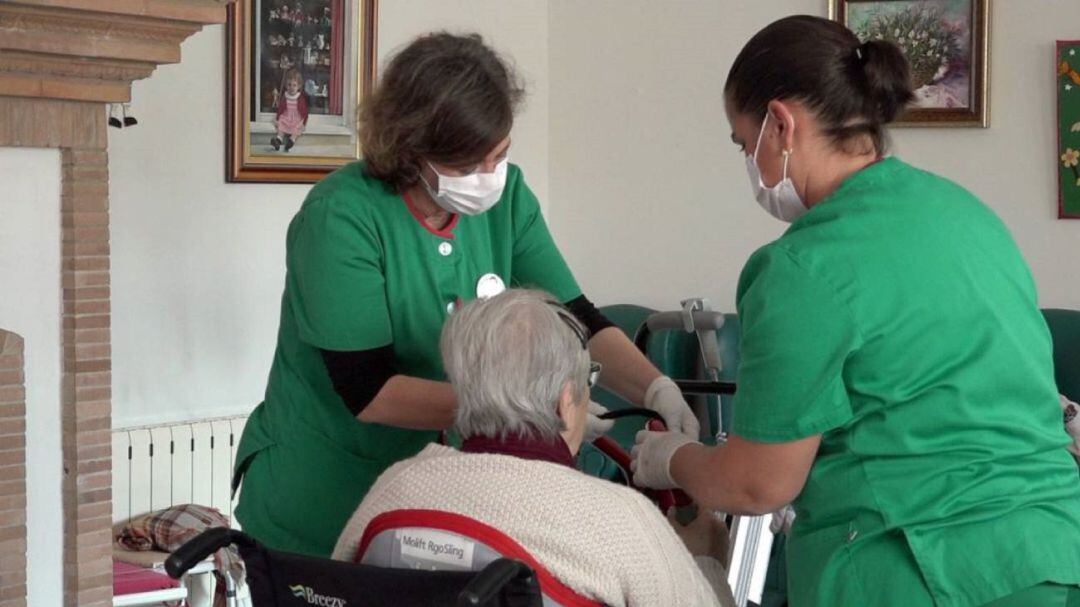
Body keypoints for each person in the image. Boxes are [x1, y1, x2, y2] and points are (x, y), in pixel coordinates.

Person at [630, 15, 1080, 607]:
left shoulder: (801, 267)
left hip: (920, 572)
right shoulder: (967, 216)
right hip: (1051, 554)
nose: (749, 162)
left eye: (744, 142)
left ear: (781, 124)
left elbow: (758, 482)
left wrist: (672, 460)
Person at [234, 32, 699, 558]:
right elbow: (367, 390)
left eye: (498, 156)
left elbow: (577, 320)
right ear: (409, 152)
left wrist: (656, 388)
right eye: (464, 166)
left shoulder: (510, 199)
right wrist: (524, 417)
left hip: (436, 500)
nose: (487, 177)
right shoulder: (341, 218)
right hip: (322, 497)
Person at [333, 290, 735, 607]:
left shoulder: (394, 491)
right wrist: (708, 560)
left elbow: (336, 590)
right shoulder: (621, 520)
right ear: (565, 401)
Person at [272, 68, 308, 152]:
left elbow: (305, 112)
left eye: (294, 85)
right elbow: (281, 108)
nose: (291, 87)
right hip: (287, 116)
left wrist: (304, 123)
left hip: (296, 118)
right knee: (281, 126)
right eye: (289, 85)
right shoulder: (285, 96)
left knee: (297, 128)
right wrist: (277, 118)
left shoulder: (300, 98)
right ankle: (278, 140)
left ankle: (291, 141)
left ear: (298, 86)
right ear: (286, 85)